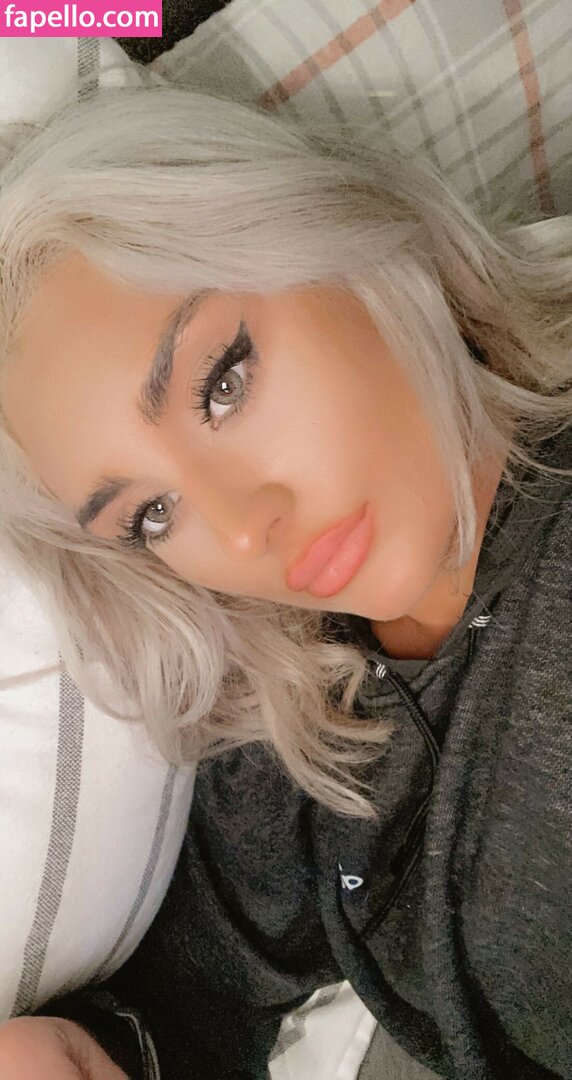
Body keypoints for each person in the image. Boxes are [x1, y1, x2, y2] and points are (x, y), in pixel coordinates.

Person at [0, 74, 570, 1080]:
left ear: (335, 236)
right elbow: (200, 995)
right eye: (152, 514)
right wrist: (78, 1052)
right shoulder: (291, 724)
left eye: (222, 383)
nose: (241, 526)